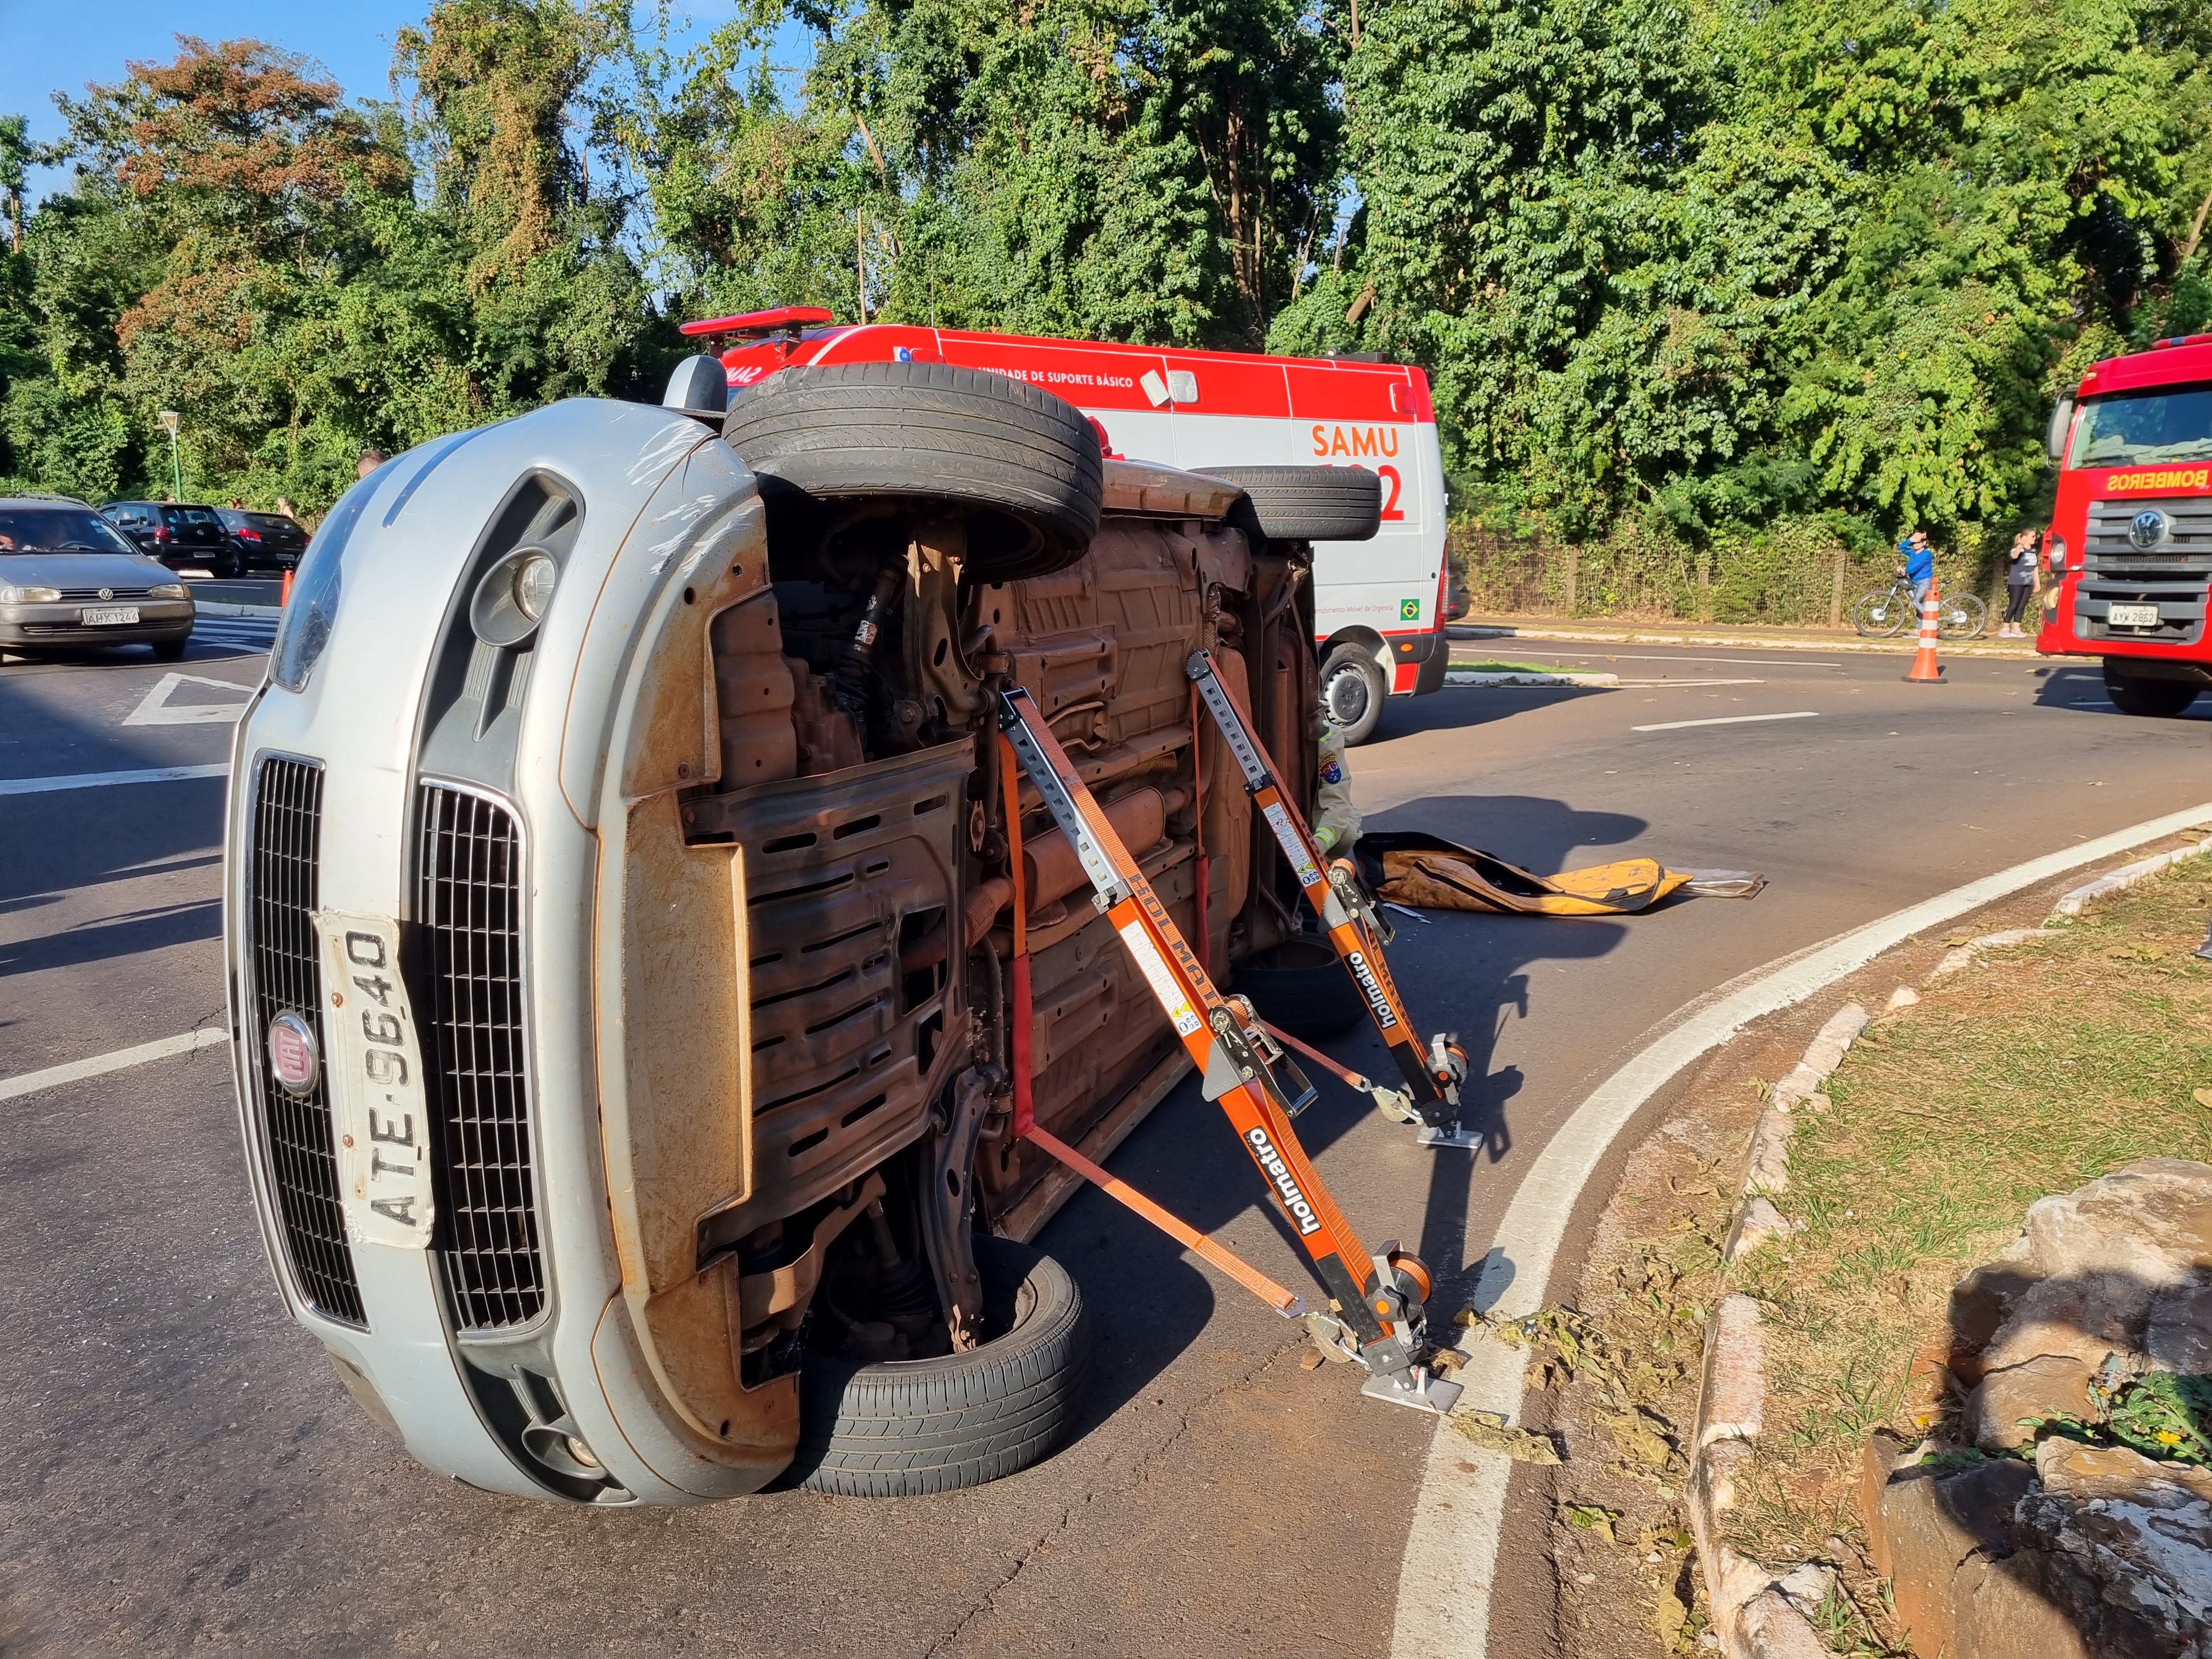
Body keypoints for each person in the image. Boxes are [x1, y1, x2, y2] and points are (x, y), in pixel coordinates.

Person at [2000, 529, 2039, 639]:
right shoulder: (2017, 549)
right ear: (2025, 537)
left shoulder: (2034, 551)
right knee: (2014, 604)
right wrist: (2020, 546)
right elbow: (2014, 556)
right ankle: (2005, 627)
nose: (2035, 539)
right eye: (2033, 536)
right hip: (2016, 582)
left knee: (2022, 605)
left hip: (2029, 582)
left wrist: (2037, 583)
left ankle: (2016, 628)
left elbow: (2035, 567)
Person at [1895, 529, 1936, 607]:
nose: (1916, 545)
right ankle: (1923, 618)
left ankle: (1930, 618)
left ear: (1924, 543)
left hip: (1925, 581)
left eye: (1919, 542)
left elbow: (1916, 567)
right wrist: (1910, 540)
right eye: (1914, 543)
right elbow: (1901, 548)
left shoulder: (1927, 554)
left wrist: (1905, 570)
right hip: (1914, 582)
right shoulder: (1912, 552)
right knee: (1918, 606)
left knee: (1916, 602)